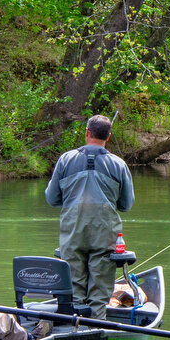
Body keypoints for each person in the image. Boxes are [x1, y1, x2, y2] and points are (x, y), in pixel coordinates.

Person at [45, 114, 135, 316]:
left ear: (87, 133)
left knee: (73, 293)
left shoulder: (65, 160)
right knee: (100, 295)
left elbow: (51, 199)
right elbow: (126, 205)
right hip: (105, 235)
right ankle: (96, 329)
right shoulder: (119, 165)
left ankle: (73, 328)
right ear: (108, 137)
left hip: (72, 233)